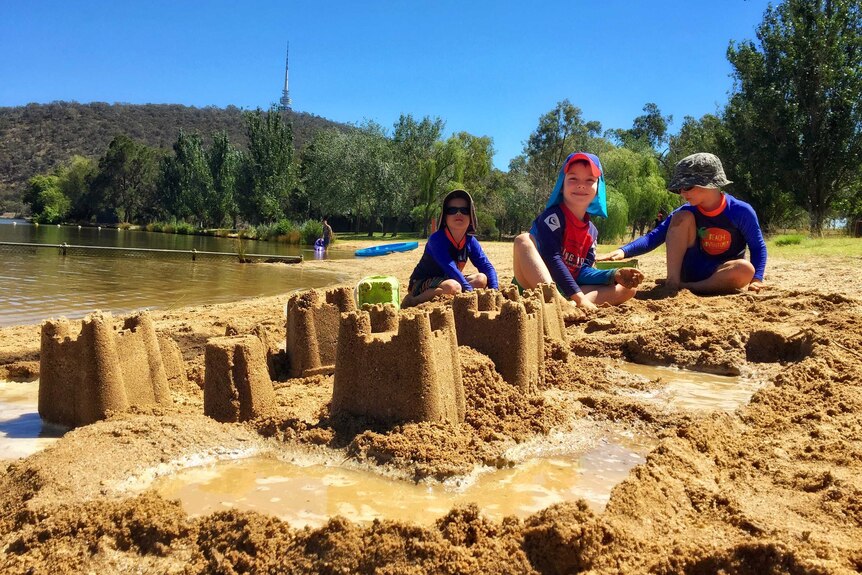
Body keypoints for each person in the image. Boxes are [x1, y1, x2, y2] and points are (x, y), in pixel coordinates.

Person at [597, 152, 767, 294]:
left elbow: (758, 247)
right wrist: (622, 252)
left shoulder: (741, 211)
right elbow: (654, 237)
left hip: (721, 272)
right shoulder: (686, 212)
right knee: (682, 217)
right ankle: (673, 282)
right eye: (679, 189)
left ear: (710, 183)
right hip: (690, 270)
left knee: (746, 270)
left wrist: (757, 279)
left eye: (687, 187)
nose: (682, 193)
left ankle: (685, 288)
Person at [512, 152, 643, 311]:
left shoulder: (592, 232)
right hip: (534, 287)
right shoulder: (553, 218)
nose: (581, 185)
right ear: (562, 185)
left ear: (598, 189)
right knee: (523, 239)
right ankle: (559, 302)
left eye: (590, 180)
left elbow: (582, 271)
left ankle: (569, 307)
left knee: (628, 290)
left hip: (568, 292)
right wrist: (580, 298)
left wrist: (613, 275)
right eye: (573, 179)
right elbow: (552, 259)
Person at [403, 189, 499, 307]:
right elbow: (449, 267)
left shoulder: (470, 241)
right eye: (452, 210)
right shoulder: (437, 239)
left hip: (450, 279)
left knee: (481, 279)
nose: (459, 214)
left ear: (471, 217)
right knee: (453, 287)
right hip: (421, 283)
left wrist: (494, 291)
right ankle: (413, 301)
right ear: (445, 217)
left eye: (464, 210)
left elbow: (486, 266)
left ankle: (454, 297)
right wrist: (469, 291)